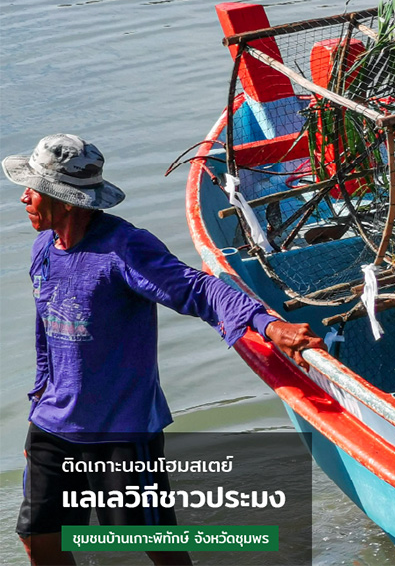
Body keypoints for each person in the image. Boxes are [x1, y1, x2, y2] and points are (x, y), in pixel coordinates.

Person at [3, 134, 326, 566]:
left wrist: (267, 325)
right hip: (53, 422)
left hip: (122, 427)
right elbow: (47, 334)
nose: (24, 196)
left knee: (155, 542)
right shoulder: (44, 248)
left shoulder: (125, 249)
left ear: (66, 201)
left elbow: (198, 288)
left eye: (35, 189)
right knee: (39, 537)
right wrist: (38, 403)